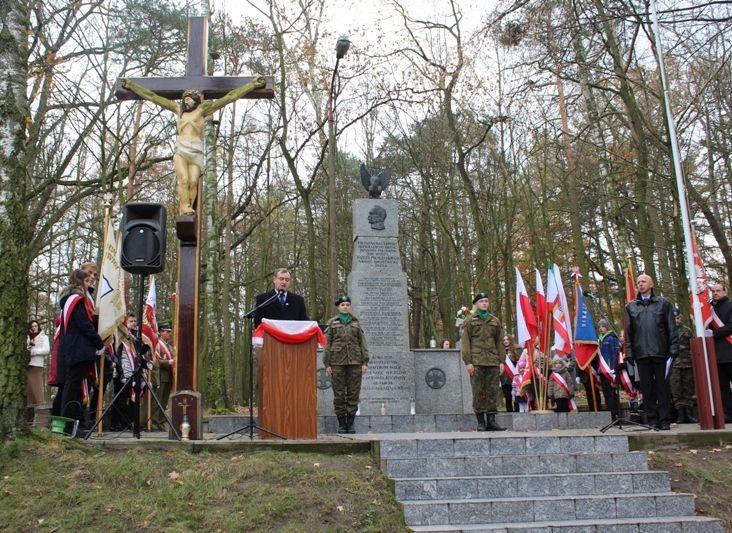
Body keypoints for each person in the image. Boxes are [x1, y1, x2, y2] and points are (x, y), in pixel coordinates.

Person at [122, 77, 266, 215]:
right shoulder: (178, 110)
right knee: (184, 179)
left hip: (196, 150)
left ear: (196, 100)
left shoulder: (202, 110)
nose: (187, 103)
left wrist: (251, 85)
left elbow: (229, 97)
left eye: (189, 100)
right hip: (181, 149)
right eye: (185, 100)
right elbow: (151, 95)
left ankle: (189, 207)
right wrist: (131, 85)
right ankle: (184, 207)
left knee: (193, 181)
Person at [624, 274, 678, 430]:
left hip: (661, 352)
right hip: (641, 353)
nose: (640, 284)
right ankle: (652, 419)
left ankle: (664, 420)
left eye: (644, 281)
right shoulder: (631, 307)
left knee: (663, 388)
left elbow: (671, 328)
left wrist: (673, 348)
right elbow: (629, 332)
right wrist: (629, 352)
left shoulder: (664, 304)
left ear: (651, 284)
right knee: (647, 389)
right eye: (638, 282)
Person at [59, 269, 105, 433]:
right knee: (72, 387)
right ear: (78, 282)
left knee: (75, 387)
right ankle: (68, 425)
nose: (89, 283)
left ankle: (73, 424)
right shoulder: (76, 300)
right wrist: (99, 343)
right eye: (86, 281)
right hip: (78, 348)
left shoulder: (71, 300)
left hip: (76, 348)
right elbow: (85, 325)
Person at [323, 296, 369, 434]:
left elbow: (363, 344)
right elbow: (327, 345)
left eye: (347, 304)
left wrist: (365, 362)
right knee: (339, 394)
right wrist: (327, 364)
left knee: (353, 394)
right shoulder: (332, 323)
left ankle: (351, 423)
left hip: (355, 363)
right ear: (338, 307)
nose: (345, 307)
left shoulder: (356, 323)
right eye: (342, 304)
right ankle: (342, 424)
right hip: (337, 363)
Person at [461, 292, 505, 431]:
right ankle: (481, 422)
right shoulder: (469, 320)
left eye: (486, 301)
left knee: (493, 391)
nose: (484, 303)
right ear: (476, 304)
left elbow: (499, 342)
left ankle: (491, 421)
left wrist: (501, 361)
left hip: (492, 361)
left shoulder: (495, 321)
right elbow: (465, 342)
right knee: (478, 392)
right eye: (481, 301)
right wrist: (468, 362)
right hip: (477, 362)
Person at [710, 284, 732, 423]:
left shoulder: (730, 306)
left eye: (718, 291)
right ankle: (729, 413)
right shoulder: (709, 309)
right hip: (716, 355)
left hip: (729, 351)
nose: (715, 293)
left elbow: (731, 326)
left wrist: (713, 333)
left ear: (725, 292)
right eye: (713, 291)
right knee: (723, 388)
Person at [670, 309, 697, 423]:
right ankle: (680, 414)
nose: (676, 320)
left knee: (688, 388)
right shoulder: (667, 331)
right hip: (674, 365)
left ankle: (689, 413)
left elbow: (693, 346)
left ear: (681, 318)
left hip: (687, 364)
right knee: (676, 389)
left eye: (678, 318)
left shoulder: (687, 331)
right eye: (674, 318)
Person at [152, 322, 175, 429]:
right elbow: (158, 360)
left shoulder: (169, 346)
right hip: (160, 376)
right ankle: (154, 422)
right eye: (167, 331)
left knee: (164, 401)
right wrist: (170, 362)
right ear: (160, 332)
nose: (169, 334)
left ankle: (160, 421)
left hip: (169, 376)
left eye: (170, 331)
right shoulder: (157, 344)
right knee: (158, 400)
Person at [597, 318, 621, 420]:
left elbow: (615, 355)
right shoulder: (599, 340)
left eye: (603, 326)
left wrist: (613, 369)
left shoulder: (612, 338)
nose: (601, 328)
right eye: (599, 327)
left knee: (612, 393)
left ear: (607, 327)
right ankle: (610, 414)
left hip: (610, 371)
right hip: (602, 370)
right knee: (606, 393)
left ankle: (616, 413)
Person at [26, 320, 50, 418]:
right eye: (32, 326)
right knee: (29, 394)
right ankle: (29, 420)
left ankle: (42, 419)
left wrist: (33, 351)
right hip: (27, 365)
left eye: (36, 326)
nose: (34, 328)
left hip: (37, 365)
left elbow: (46, 350)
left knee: (38, 391)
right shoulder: (27, 337)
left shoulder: (44, 337)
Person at [499, 334, 520, 412]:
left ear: (510, 340)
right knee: (508, 398)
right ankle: (509, 412)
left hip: (514, 377)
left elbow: (519, 363)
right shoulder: (500, 352)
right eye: (504, 340)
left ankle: (517, 413)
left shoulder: (516, 350)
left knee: (516, 397)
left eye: (507, 339)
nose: (505, 341)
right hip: (504, 378)